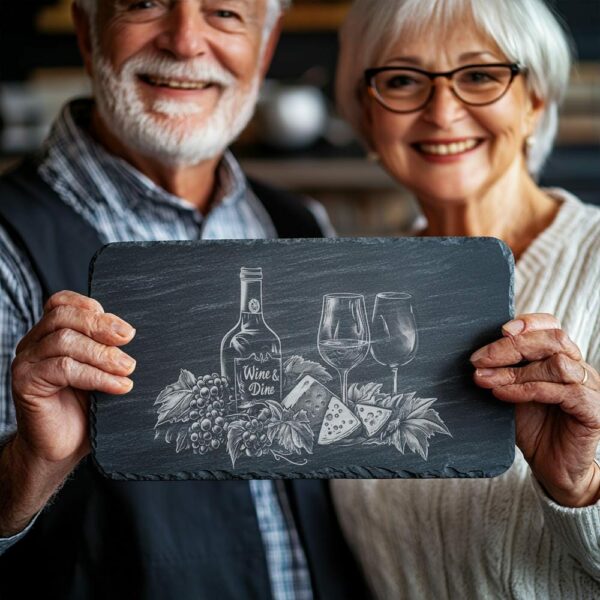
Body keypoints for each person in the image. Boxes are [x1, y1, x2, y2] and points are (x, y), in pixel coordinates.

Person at [0, 1, 368, 598]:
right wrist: (32, 464)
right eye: (145, 3)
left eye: (224, 12)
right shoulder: (6, 239)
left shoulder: (299, 223)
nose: (185, 41)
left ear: (265, 47)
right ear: (86, 32)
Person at [332, 0, 600, 597]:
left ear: (535, 102)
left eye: (479, 75)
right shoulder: (352, 294)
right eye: (402, 80)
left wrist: (581, 487)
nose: (443, 111)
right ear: (368, 117)